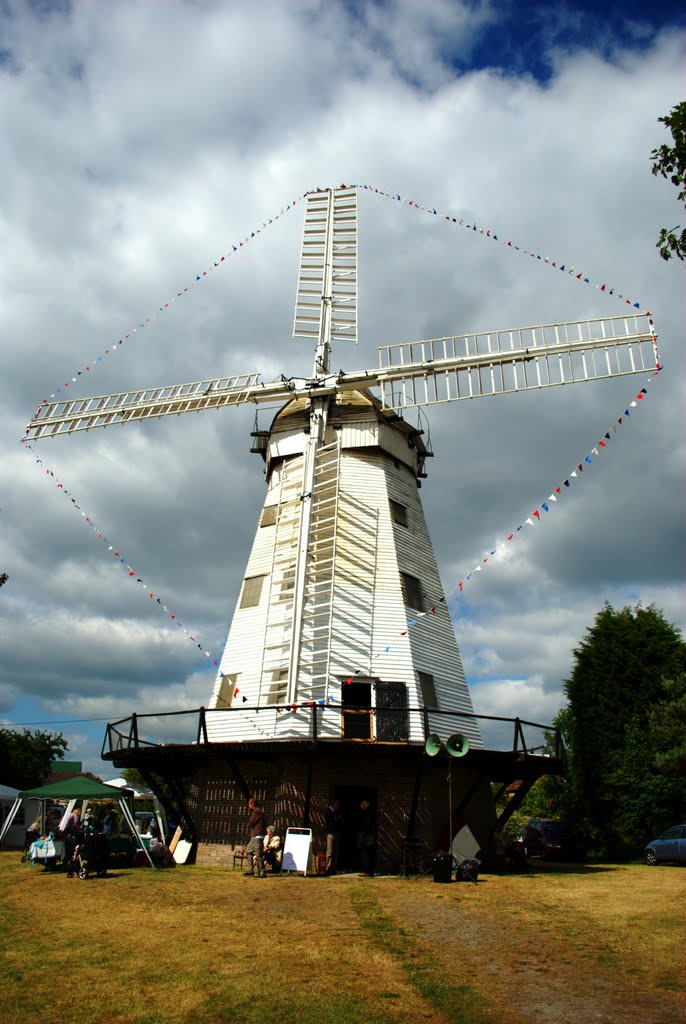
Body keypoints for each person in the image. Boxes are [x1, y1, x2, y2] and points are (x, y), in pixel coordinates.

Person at [244, 798, 267, 877]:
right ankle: (250, 870)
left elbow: (252, 821)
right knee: (248, 851)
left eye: (249, 804)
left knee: (258, 854)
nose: (248, 805)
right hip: (255, 835)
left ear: (252, 804)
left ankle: (262, 872)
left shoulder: (256, 811)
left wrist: (248, 825)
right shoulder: (256, 811)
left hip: (258, 835)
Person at [356, 799, 376, 877]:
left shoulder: (366, 814)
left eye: (361, 805)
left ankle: (367, 871)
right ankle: (370, 871)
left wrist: (362, 836)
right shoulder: (371, 812)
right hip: (369, 837)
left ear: (364, 806)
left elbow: (366, 825)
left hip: (366, 837)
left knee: (366, 854)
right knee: (369, 854)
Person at [325, 798, 343, 875]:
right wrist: (336, 819)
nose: (338, 806)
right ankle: (327, 869)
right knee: (330, 851)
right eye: (337, 804)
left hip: (337, 832)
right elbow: (331, 821)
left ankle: (334, 869)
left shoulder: (337, 812)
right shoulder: (329, 811)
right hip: (330, 833)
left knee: (336, 851)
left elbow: (339, 820)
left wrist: (337, 819)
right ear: (334, 804)